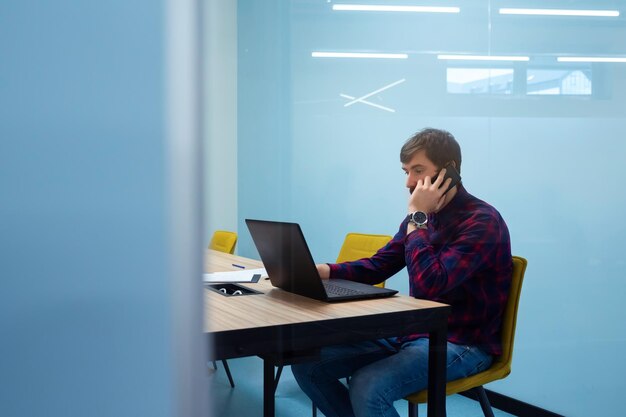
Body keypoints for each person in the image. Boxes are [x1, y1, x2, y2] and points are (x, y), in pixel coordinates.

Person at [291, 128, 512, 417]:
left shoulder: (482, 221)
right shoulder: (422, 219)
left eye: (418, 170)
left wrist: (417, 218)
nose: (409, 182)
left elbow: (430, 286)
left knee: (368, 385)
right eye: (406, 171)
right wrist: (324, 271)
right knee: (307, 365)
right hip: (413, 333)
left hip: (462, 342)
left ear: (450, 170)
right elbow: (380, 265)